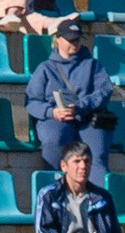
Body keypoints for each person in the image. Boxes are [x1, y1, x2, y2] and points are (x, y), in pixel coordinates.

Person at [26, 17, 117, 179]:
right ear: (58, 40)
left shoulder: (93, 65)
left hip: (88, 118)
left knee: (96, 157)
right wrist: (52, 112)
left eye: (78, 39)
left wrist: (80, 106)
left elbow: (104, 91)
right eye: (70, 39)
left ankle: (97, 193)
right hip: (56, 119)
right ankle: (55, 187)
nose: (75, 43)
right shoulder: (45, 68)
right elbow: (32, 101)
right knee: (54, 139)